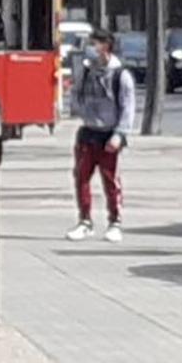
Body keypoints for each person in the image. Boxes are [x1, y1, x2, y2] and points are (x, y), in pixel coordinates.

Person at [65, 30, 135, 243]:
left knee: (110, 180)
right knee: (81, 177)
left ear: (106, 46)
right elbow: (75, 93)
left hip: (108, 134)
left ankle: (115, 222)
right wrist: (79, 109)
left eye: (94, 44)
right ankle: (85, 221)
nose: (90, 48)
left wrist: (120, 134)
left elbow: (128, 107)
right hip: (88, 132)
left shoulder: (120, 75)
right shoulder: (87, 72)